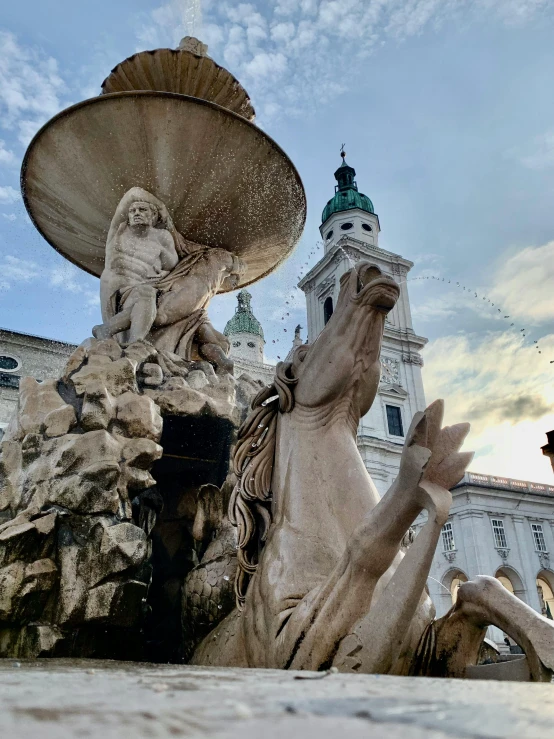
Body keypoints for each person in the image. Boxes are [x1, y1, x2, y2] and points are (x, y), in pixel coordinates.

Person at [93, 187, 245, 372]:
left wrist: (166, 274)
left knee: (212, 335)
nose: (136, 214)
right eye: (133, 211)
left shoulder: (162, 238)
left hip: (156, 290)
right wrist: (164, 209)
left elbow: (172, 266)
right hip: (124, 291)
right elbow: (132, 193)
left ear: (153, 216)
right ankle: (133, 348)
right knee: (147, 294)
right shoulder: (119, 231)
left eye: (143, 210)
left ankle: (213, 369)